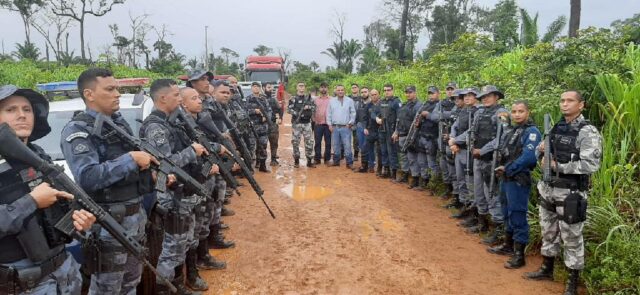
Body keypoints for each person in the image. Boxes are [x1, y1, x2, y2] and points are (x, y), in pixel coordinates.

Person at [61, 68, 156, 294]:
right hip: (108, 226)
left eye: (118, 89)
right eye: (110, 89)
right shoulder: (78, 130)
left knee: (131, 282)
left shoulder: (117, 123)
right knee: (107, 289)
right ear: (89, 94)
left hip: (134, 219)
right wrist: (131, 159)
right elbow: (88, 177)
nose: (117, 94)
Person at [0, 85, 95, 295]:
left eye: (27, 109)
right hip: (22, 283)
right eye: (11, 109)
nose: (21, 115)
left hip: (64, 272)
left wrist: (78, 218)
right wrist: (31, 201)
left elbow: (58, 207)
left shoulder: (39, 155)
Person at [524, 91, 602, 295]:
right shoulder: (555, 128)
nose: (565, 104)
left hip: (571, 192)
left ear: (581, 105)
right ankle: (546, 268)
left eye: (570, 101)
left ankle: (572, 281)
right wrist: (541, 152)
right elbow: (539, 153)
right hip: (549, 188)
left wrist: (559, 166)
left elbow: (590, 164)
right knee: (548, 230)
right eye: (562, 100)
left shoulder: (587, 131)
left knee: (572, 236)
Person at [139, 79, 210, 294]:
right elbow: (165, 163)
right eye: (177, 95)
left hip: (183, 193)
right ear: (163, 98)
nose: (180, 99)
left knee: (182, 244)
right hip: (171, 197)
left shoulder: (170, 122)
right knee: (171, 250)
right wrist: (192, 151)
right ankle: (166, 289)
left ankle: (178, 285)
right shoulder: (154, 127)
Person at [179, 87, 232, 291]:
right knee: (191, 233)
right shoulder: (182, 123)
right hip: (193, 184)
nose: (199, 101)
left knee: (202, 223)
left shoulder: (195, 121)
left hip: (204, 178)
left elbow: (203, 146)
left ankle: (203, 257)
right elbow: (189, 154)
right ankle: (192, 272)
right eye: (194, 98)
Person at [486, 100, 540, 270]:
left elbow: (529, 157)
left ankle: (519, 254)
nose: (517, 114)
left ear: (528, 112)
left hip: (518, 178)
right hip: (505, 177)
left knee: (517, 214)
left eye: (521, 111)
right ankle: (508, 245)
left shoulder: (532, 132)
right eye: (514, 111)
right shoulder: (511, 130)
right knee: (506, 212)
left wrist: (509, 168)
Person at [471, 85, 509, 244]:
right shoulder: (479, 112)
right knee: (479, 192)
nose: (485, 98)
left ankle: (498, 230)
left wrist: (483, 150)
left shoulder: (502, 113)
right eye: (483, 96)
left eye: (489, 95)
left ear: (497, 97)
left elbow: (503, 137)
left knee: (492, 194)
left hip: (492, 160)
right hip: (478, 159)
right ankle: (482, 223)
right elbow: (472, 131)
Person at [449, 88, 480, 231]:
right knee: (460, 179)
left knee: (470, 182)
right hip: (458, 149)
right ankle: (464, 207)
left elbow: (471, 131)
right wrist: (452, 140)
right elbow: (455, 126)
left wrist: (455, 140)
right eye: (465, 96)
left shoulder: (478, 112)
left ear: (476, 97)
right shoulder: (463, 110)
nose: (467, 98)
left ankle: (474, 213)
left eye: (470, 96)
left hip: (469, 150)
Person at [392, 85, 423, 187]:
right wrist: (396, 132)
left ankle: (415, 179)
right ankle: (405, 175)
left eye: (410, 92)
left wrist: (413, 137)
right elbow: (398, 120)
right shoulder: (404, 105)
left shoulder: (419, 105)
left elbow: (418, 123)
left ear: (415, 92)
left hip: (412, 136)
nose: (408, 94)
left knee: (413, 158)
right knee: (404, 157)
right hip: (402, 135)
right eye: (406, 92)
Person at [432, 82, 458, 197]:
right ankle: (448, 188)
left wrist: (443, 114)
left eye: (452, 89)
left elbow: (456, 114)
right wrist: (446, 114)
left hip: (453, 140)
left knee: (454, 168)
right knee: (444, 166)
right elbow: (433, 116)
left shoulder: (459, 102)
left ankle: (456, 193)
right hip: (442, 138)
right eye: (448, 89)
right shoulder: (442, 103)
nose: (450, 91)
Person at [414, 86, 442, 190]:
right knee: (421, 162)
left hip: (432, 138)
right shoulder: (425, 104)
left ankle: (434, 185)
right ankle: (424, 182)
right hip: (421, 136)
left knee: (431, 163)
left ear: (438, 93)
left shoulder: (440, 105)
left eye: (433, 93)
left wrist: (428, 114)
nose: (431, 95)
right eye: (429, 93)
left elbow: (438, 118)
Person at [245, 82, 273, 172]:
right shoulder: (248, 99)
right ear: (251, 88)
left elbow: (269, 110)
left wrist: (266, 116)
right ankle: (249, 168)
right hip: (252, 127)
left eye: (257, 87)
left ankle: (262, 165)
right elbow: (244, 112)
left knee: (263, 146)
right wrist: (254, 111)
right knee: (251, 147)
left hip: (263, 127)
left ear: (260, 88)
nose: (256, 88)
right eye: (254, 87)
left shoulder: (264, 99)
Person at [287, 82, 316, 168]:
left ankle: (309, 161)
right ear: (297, 88)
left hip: (307, 123)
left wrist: (309, 107)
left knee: (309, 142)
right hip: (297, 123)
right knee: (295, 142)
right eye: (300, 86)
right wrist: (297, 113)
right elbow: (289, 110)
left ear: (305, 88)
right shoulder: (293, 98)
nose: (301, 87)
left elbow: (315, 107)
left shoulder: (309, 98)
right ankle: (296, 160)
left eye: (303, 86)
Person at [326, 85, 356, 168]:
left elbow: (353, 113)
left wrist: (350, 123)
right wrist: (329, 124)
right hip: (335, 127)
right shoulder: (332, 101)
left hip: (346, 127)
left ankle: (349, 163)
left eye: (342, 90)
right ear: (336, 91)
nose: (340, 91)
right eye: (338, 90)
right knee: (335, 145)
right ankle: (336, 161)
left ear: (344, 91)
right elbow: (328, 113)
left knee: (347, 145)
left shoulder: (349, 101)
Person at [378, 84, 401, 179]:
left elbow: (399, 118)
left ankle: (394, 172)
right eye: (385, 90)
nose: (386, 92)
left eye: (388, 90)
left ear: (392, 90)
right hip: (382, 129)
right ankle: (386, 169)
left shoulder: (396, 102)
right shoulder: (382, 101)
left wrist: (396, 131)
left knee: (392, 151)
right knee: (383, 150)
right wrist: (377, 118)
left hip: (391, 129)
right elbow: (378, 113)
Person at [264, 82, 283, 166]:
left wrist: (280, 118)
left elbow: (280, 109)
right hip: (261, 125)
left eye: (271, 88)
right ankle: (260, 161)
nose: (271, 89)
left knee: (274, 142)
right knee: (262, 144)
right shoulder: (259, 99)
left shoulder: (273, 99)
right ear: (264, 88)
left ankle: (273, 159)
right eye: (269, 87)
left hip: (272, 124)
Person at [313, 82, 332, 165]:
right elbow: (312, 110)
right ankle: (317, 158)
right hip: (318, 124)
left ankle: (327, 159)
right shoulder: (315, 99)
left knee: (328, 142)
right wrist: (313, 119)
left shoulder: (332, 99)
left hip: (328, 125)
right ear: (319, 89)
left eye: (325, 87)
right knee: (317, 142)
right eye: (322, 87)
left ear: (327, 88)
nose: (323, 89)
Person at [364, 89, 382, 174]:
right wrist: (365, 128)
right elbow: (365, 118)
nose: (374, 96)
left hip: (380, 130)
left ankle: (380, 167)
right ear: (370, 96)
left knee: (380, 150)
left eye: (375, 94)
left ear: (379, 94)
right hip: (370, 130)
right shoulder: (368, 105)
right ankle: (371, 166)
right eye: (372, 95)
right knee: (369, 149)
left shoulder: (382, 104)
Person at [355, 87, 371, 172]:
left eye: (365, 92)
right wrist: (357, 123)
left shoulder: (372, 103)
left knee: (367, 146)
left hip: (368, 128)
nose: (363, 93)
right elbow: (357, 114)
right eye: (362, 92)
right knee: (361, 146)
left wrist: (367, 127)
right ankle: (364, 164)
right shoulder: (359, 103)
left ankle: (368, 165)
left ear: (368, 92)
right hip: (360, 126)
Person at [350, 83, 361, 160]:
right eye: (352, 87)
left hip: (358, 121)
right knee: (346, 138)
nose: (354, 89)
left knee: (356, 139)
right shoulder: (348, 98)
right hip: (348, 121)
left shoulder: (361, 98)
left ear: (358, 89)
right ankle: (343, 153)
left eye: (355, 87)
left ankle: (356, 154)